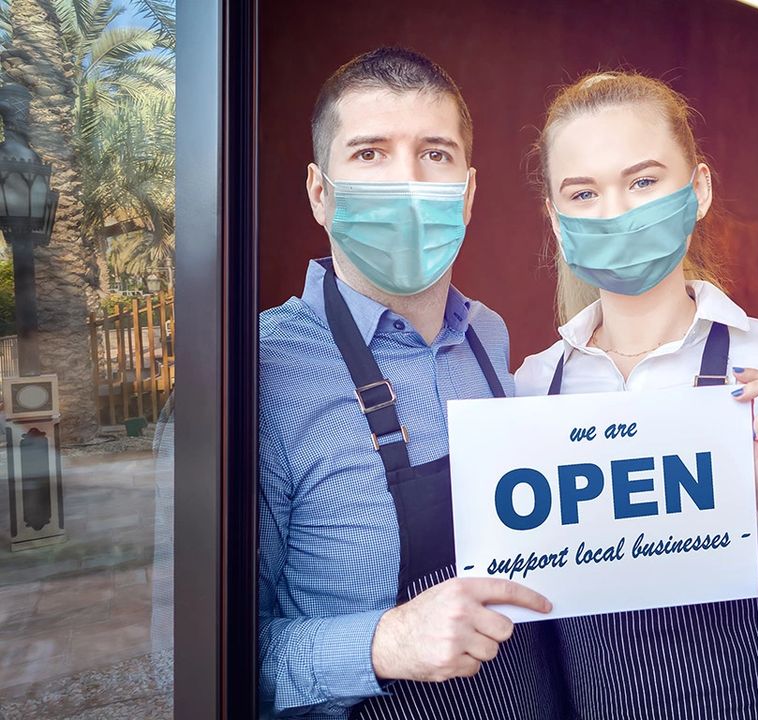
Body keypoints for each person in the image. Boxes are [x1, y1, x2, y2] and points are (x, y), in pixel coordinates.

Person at [515, 71, 758, 719]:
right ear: (554, 219)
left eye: (643, 181)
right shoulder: (530, 388)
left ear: (699, 189)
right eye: (583, 192)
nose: (618, 213)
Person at [257, 48, 563, 719]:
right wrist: (383, 643)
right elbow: (200, 663)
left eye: (435, 154)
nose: (406, 182)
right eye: (369, 154)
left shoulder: (489, 336)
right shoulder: (262, 374)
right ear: (319, 193)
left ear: (469, 192)